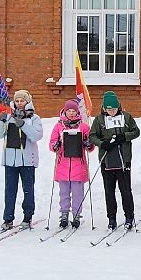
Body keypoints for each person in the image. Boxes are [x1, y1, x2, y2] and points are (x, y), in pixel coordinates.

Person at [89, 91, 139, 231]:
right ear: (104, 108)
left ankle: (129, 217)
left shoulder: (126, 117)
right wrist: (102, 143)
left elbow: (136, 132)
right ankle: (112, 218)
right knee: (109, 191)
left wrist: (124, 136)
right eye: (109, 109)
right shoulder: (99, 120)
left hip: (123, 159)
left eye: (114, 109)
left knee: (125, 190)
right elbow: (92, 136)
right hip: (107, 161)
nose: (112, 112)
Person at [0, 90, 42, 230]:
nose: (20, 103)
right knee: (10, 190)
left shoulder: (34, 118)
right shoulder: (9, 117)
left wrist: (23, 125)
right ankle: (8, 218)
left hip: (27, 161)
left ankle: (28, 217)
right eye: (17, 101)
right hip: (10, 160)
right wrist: (0, 121)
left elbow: (36, 136)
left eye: (22, 101)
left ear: (27, 102)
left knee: (28, 190)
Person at [50, 98, 92, 229]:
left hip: (78, 165)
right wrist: (55, 145)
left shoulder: (84, 126)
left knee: (77, 192)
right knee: (63, 192)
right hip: (63, 164)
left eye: (74, 110)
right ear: (65, 111)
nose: (71, 113)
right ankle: (64, 214)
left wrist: (88, 143)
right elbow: (52, 143)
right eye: (69, 110)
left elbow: (90, 144)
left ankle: (76, 214)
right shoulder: (59, 126)